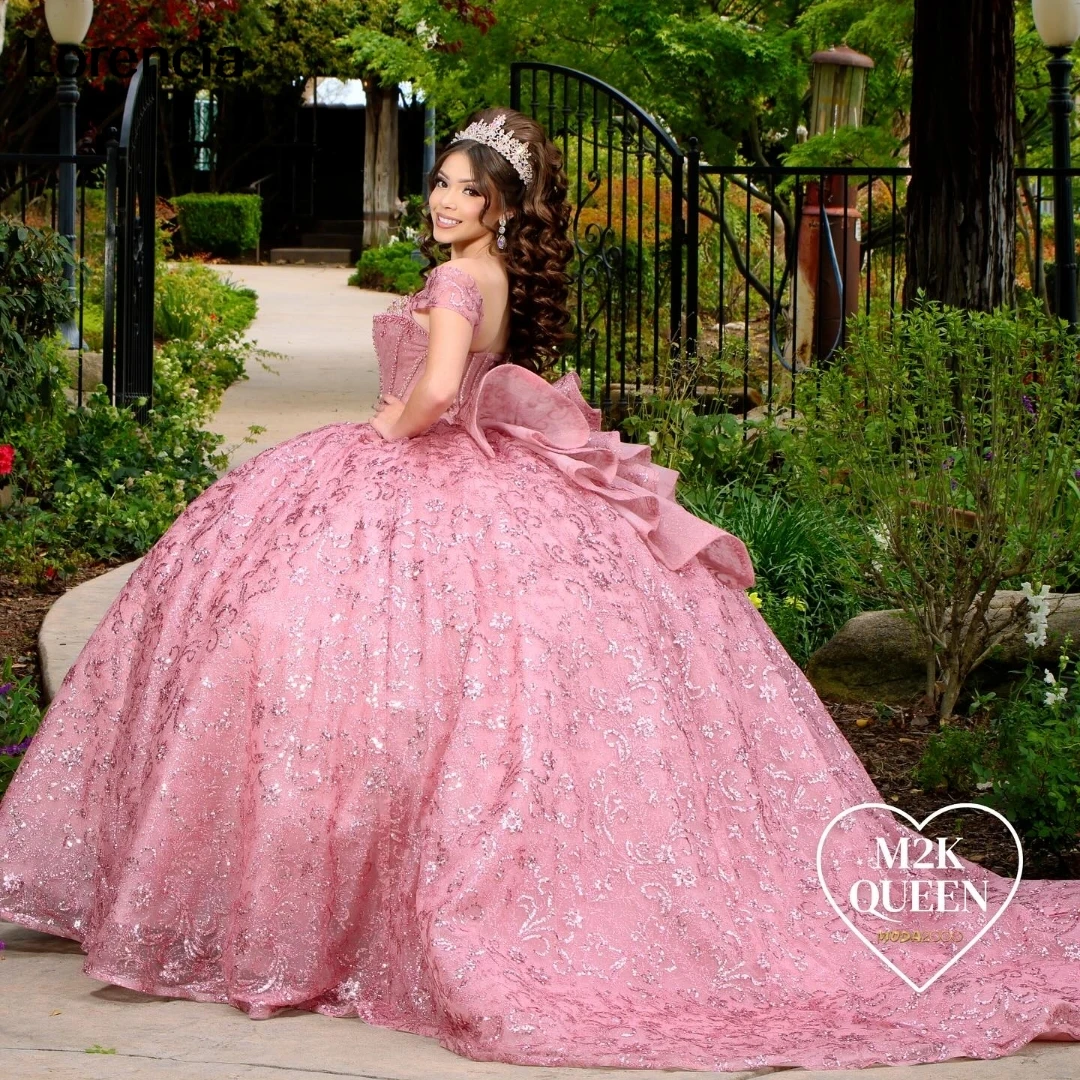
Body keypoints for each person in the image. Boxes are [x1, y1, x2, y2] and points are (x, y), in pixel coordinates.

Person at [1, 107, 1077, 1073]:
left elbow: (433, 389)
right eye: (440, 184)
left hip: (426, 465)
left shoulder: (460, 279)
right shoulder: (497, 275)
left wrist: (369, 438)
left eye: (467, 190)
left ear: (503, 208)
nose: (444, 201)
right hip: (486, 470)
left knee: (309, 648)